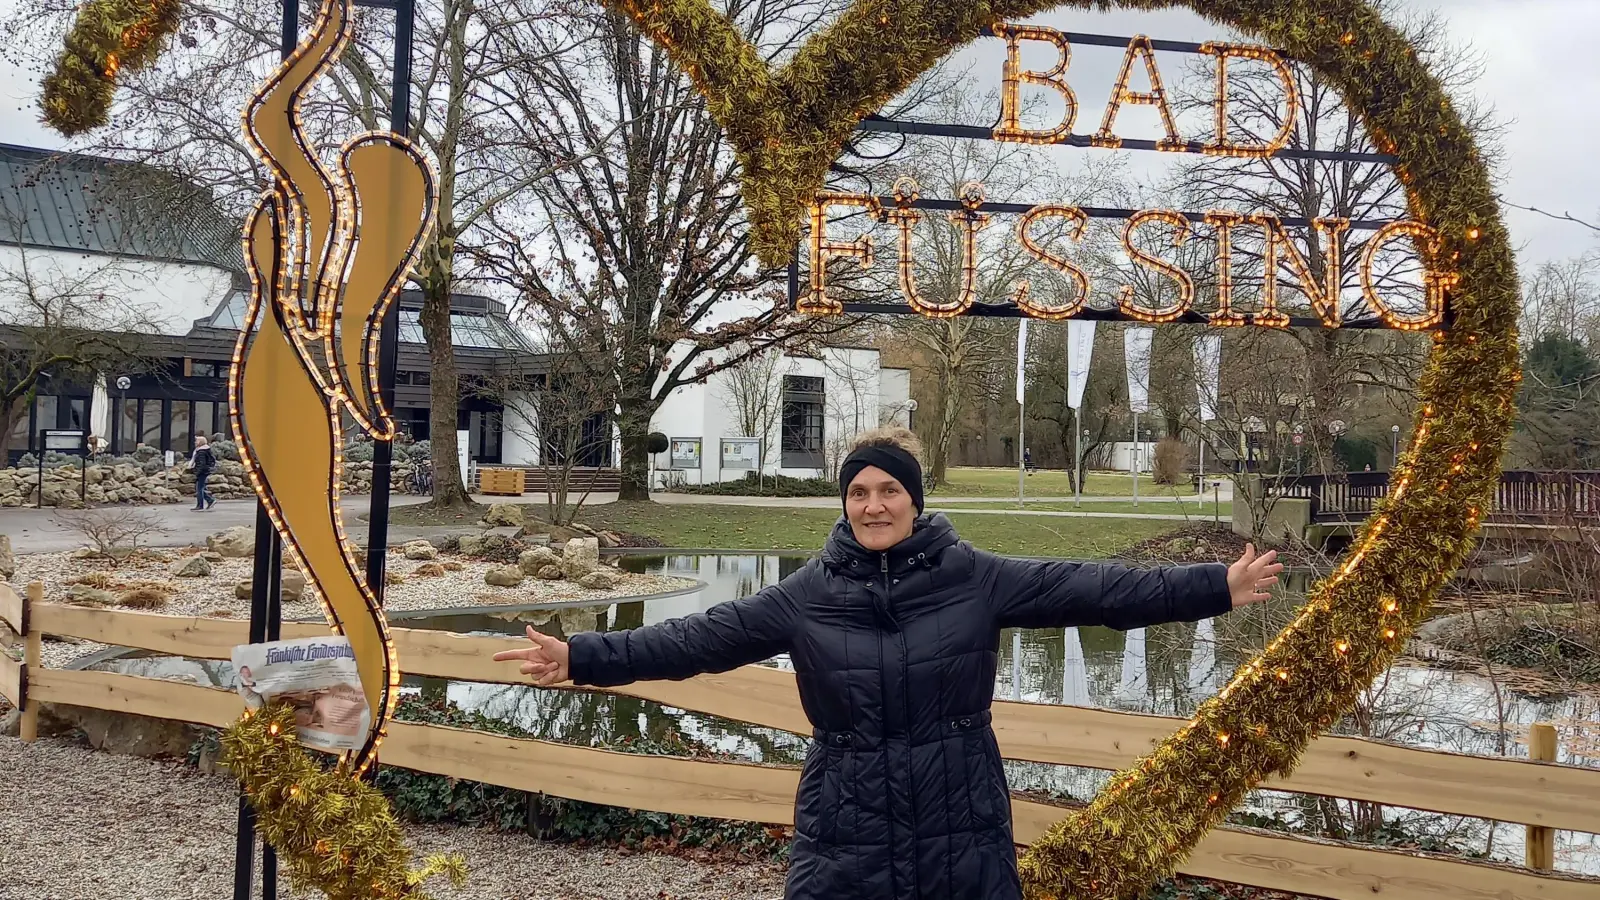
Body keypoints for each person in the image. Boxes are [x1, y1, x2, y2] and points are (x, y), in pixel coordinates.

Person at [493, 427, 1282, 900]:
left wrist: (1217, 583)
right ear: (845, 501)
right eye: (859, 491)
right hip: (847, 820)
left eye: (888, 490)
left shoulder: (976, 577)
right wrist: (585, 655)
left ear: (914, 498)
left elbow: (1099, 589)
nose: (873, 504)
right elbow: (696, 639)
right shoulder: (805, 595)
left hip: (959, 814)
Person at [190, 436, 217, 511]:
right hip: (204, 471)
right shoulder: (204, 450)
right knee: (200, 488)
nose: (195, 442)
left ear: (200, 442)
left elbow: (202, 463)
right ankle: (210, 500)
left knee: (199, 488)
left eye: (196, 441)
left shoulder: (201, 451)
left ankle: (200, 505)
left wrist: (197, 472)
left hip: (202, 472)